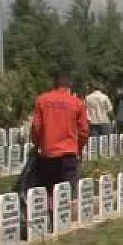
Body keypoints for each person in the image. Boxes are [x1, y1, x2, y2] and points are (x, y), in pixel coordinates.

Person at [30, 69, 89, 198]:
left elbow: (36, 127)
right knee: (65, 195)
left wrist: (37, 145)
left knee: (48, 192)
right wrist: (78, 149)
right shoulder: (77, 103)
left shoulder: (42, 100)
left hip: (48, 153)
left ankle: (49, 215)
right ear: (70, 84)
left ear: (53, 82)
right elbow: (83, 131)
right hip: (69, 153)